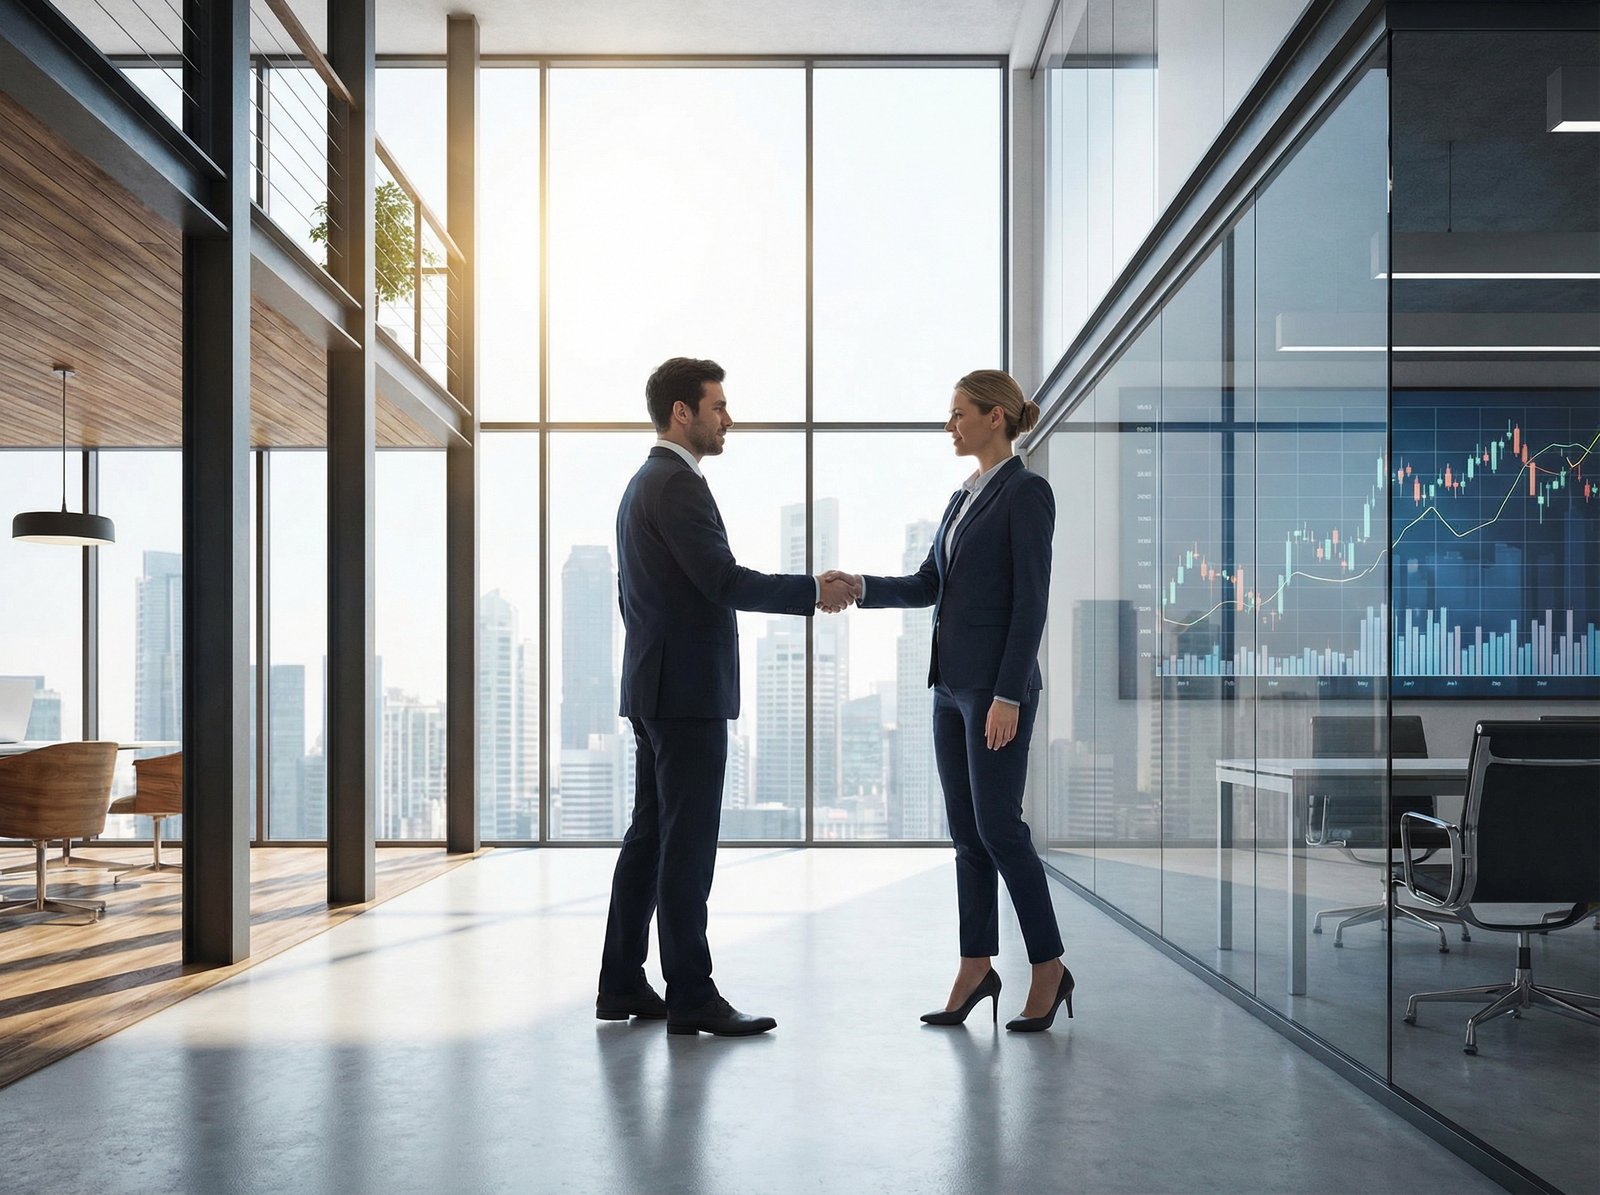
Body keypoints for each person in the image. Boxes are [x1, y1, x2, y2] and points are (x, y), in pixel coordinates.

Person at [597, 356, 858, 1037]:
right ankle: (691, 993)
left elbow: (633, 596)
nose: (728, 418)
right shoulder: (677, 484)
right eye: (718, 406)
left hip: (653, 687)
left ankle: (621, 981)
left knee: (650, 839)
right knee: (686, 847)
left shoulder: (641, 484)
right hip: (687, 694)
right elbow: (723, 580)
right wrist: (812, 590)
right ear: (682, 411)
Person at [827, 370, 1073, 1031]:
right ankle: (976, 965)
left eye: (959, 412)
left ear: (995, 417)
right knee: (967, 836)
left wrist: (1008, 694)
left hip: (995, 692)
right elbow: (929, 583)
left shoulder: (1027, 493)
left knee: (1001, 830)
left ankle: (1048, 966)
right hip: (949, 689)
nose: (950, 424)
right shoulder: (961, 497)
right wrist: (861, 586)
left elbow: (1031, 603)